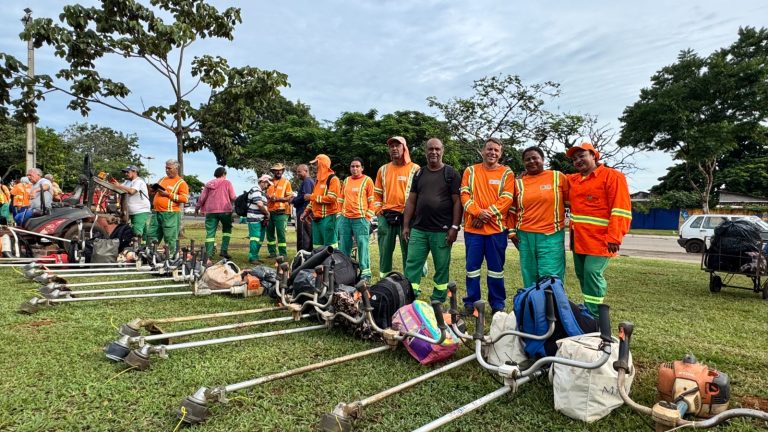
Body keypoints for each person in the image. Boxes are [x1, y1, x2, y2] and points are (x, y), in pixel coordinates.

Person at [566, 141, 632, 318]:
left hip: (601, 240)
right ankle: (588, 307)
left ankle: (595, 315)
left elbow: (621, 209)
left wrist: (615, 237)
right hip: (578, 239)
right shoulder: (573, 180)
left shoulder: (613, 176)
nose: (578, 160)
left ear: (594, 155)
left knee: (592, 272)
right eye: (574, 159)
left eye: (582, 156)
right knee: (582, 274)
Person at [460, 138, 516, 315]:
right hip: (473, 230)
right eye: (489, 149)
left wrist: (485, 215)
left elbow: (507, 198)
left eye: (496, 151)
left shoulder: (507, 173)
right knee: (472, 269)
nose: (492, 153)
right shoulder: (470, 171)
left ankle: (497, 304)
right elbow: (464, 194)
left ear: (500, 154)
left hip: (497, 230)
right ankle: (471, 303)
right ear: (483, 151)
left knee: (496, 270)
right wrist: (477, 213)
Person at [402, 138, 462, 302]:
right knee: (412, 265)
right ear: (425, 151)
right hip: (419, 229)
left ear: (442, 151)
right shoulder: (419, 173)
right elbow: (411, 201)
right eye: (430, 149)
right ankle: (410, 296)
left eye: (437, 149)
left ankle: (438, 299)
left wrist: (454, 227)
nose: (433, 152)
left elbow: (458, 202)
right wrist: (406, 225)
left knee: (441, 268)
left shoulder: (451, 173)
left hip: (441, 231)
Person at [507, 146, 569, 287]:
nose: (531, 161)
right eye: (527, 159)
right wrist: (511, 233)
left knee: (550, 276)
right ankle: (532, 307)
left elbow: (571, 202)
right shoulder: (518, 183)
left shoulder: (557, 177)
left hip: (550, 236)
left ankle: (552, 308)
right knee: (529, 274)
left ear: (543, 159)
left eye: (535, 158)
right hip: (525, 236)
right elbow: (511, 210)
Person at [373, 136, 420, 278]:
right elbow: (377, 194)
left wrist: (413, 214)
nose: (394, 148)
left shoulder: (415, 169)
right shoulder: (383, 169)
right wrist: (379, 210)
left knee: (409, 252)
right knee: (385, 251)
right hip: (386, 217)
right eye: (391, 146)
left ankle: (409, 283)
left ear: (404, 148)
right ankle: (384, 281)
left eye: (397, 145)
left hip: (407, 217)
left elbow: (420, 194)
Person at [337, 157, 376, 280]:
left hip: (360, 219)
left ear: (362, 168)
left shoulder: (367, 180)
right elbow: (340, 199)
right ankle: (345, 272)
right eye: (352, 166)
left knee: (362, 246)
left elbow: (372, 200)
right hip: (345, 219)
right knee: (344, 246)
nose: (354, 168)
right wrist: (339, 214)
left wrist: (368, 217)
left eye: (357, 166)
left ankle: (365, 273)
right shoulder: (347, 180)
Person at [148, 159, 188, 256]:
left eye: (169, 168)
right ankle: (150, 255)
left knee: (170, 237)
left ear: (176, 168)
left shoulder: (181, 183)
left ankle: (170, 258)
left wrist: (168, 194)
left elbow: (184, 199)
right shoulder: (162, 179)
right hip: (156, 212)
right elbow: (154, 192)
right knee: (151, 235)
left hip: (170, 214)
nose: (167, 170)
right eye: (166, 168)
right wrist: (152, 191)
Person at [195, 167, 237, 259]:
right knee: (227, 231)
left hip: (211, 211)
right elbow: (233, 197)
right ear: (224, 174)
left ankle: (208, 254)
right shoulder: (227, 183)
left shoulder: (209, 184)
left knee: (210, 233)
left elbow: (202, 198)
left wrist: (197, 208)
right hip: (225, 211)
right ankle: (223, 251)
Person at [301, 154, 341, 248]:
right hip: (316, 219)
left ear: (323, 164)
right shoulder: (318, 181)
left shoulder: (333, 179)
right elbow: (313, 200)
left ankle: (332, 263)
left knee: (330, 247)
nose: (313, 167)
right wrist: (306, 212)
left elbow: (332, 198)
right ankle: (320, 263)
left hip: (329, 218)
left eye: (316, 164)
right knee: (317, 247)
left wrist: (312, 197)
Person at [114, 165, 152, 239]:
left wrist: (119, 186)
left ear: (134, 172)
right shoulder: (127, 182)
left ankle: (138, 247)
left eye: (127, 172)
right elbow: (119, 188)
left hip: (140, 210)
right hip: (130, 211)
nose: (125, 174)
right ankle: (146, 245)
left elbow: (132, 191)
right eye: (125, 172)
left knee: (136, 231)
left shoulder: (139, 181)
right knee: (141, 231)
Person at [265, 163, 293, 258]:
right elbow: (264, 195)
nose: (278, 172)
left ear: (283, 171)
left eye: (280, 170)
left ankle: (282, 254)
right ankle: (272, 253)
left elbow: (289, 198)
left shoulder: (286, 182)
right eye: (276, 170)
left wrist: (277, 199)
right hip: (269, 212)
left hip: (281, 212)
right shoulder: (268, 183)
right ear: (273, 172)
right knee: (270, 234)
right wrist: (267, 196)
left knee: (281, 234)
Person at [247, 175, 271, 264]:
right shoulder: (255, 190)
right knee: (255, 238)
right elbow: (260, 204)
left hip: (261, 219)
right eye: (267, 183)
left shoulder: (262, 192)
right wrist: (267, 213)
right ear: (263, 182)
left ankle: (255, 256)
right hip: (254, 218)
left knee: (260, 239)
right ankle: (252, 257)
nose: (268, 186)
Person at [291, 164, 315, 252]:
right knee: (307, 235)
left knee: (303, 236)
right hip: (306, 212)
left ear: (306, 171)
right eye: (297, 172)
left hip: (304, 213)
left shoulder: (307, 182)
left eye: (299, 172)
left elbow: (305, 197)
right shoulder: (309, 181)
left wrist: (293, 200)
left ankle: (302, 256)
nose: (297, 174)